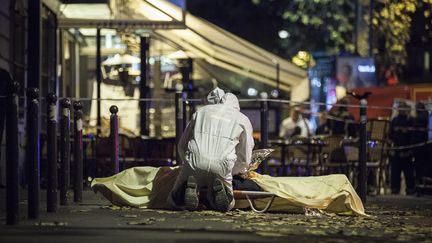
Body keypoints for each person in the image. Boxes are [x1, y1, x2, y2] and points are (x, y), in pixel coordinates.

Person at [168, 88, 254, 212]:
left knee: (173, 200)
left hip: (194, 159)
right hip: (223, 163)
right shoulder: (243, 119)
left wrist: (186, 162)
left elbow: (182, 144)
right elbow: (245, 153)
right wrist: (238, 170)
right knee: (229, 204)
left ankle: (185, 190)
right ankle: (220, 194)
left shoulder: (201, 111)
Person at [389, 101, 415, 195]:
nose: (401, 110)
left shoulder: (411, 120)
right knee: (395, 172)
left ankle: (410, 189)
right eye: (400, 108)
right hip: (396, 150)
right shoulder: (394, 120)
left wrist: (410, 151)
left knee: (409, 173)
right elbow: (390, 135)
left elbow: (413, 136)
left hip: (407, 151)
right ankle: (395, 189)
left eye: (403, 108)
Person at [411, 102, 429, 185]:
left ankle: (420, 186)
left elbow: (416, 134)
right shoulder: (427, 117)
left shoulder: (418, 118)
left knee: (419, 168)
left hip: (419, 147)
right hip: (426, 147)